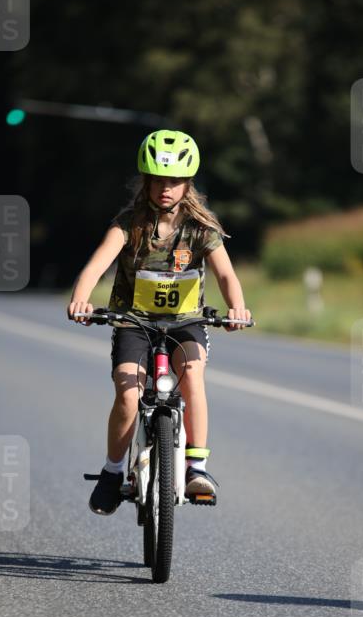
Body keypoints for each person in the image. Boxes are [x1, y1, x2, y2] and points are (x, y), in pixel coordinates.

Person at [68, 129, 252, 515]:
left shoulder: (202, 228)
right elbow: (97, 264)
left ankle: (196, 470)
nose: (165, 189)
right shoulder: (128, 224)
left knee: (192, 377)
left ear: (187, 184)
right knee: (129, 393)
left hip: (185, 322)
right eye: (157, 181)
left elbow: (226, 276)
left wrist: (237, 307)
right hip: (134, 321)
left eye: (174, 182)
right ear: (145, 182)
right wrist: (81, 299)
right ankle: (112, 471)